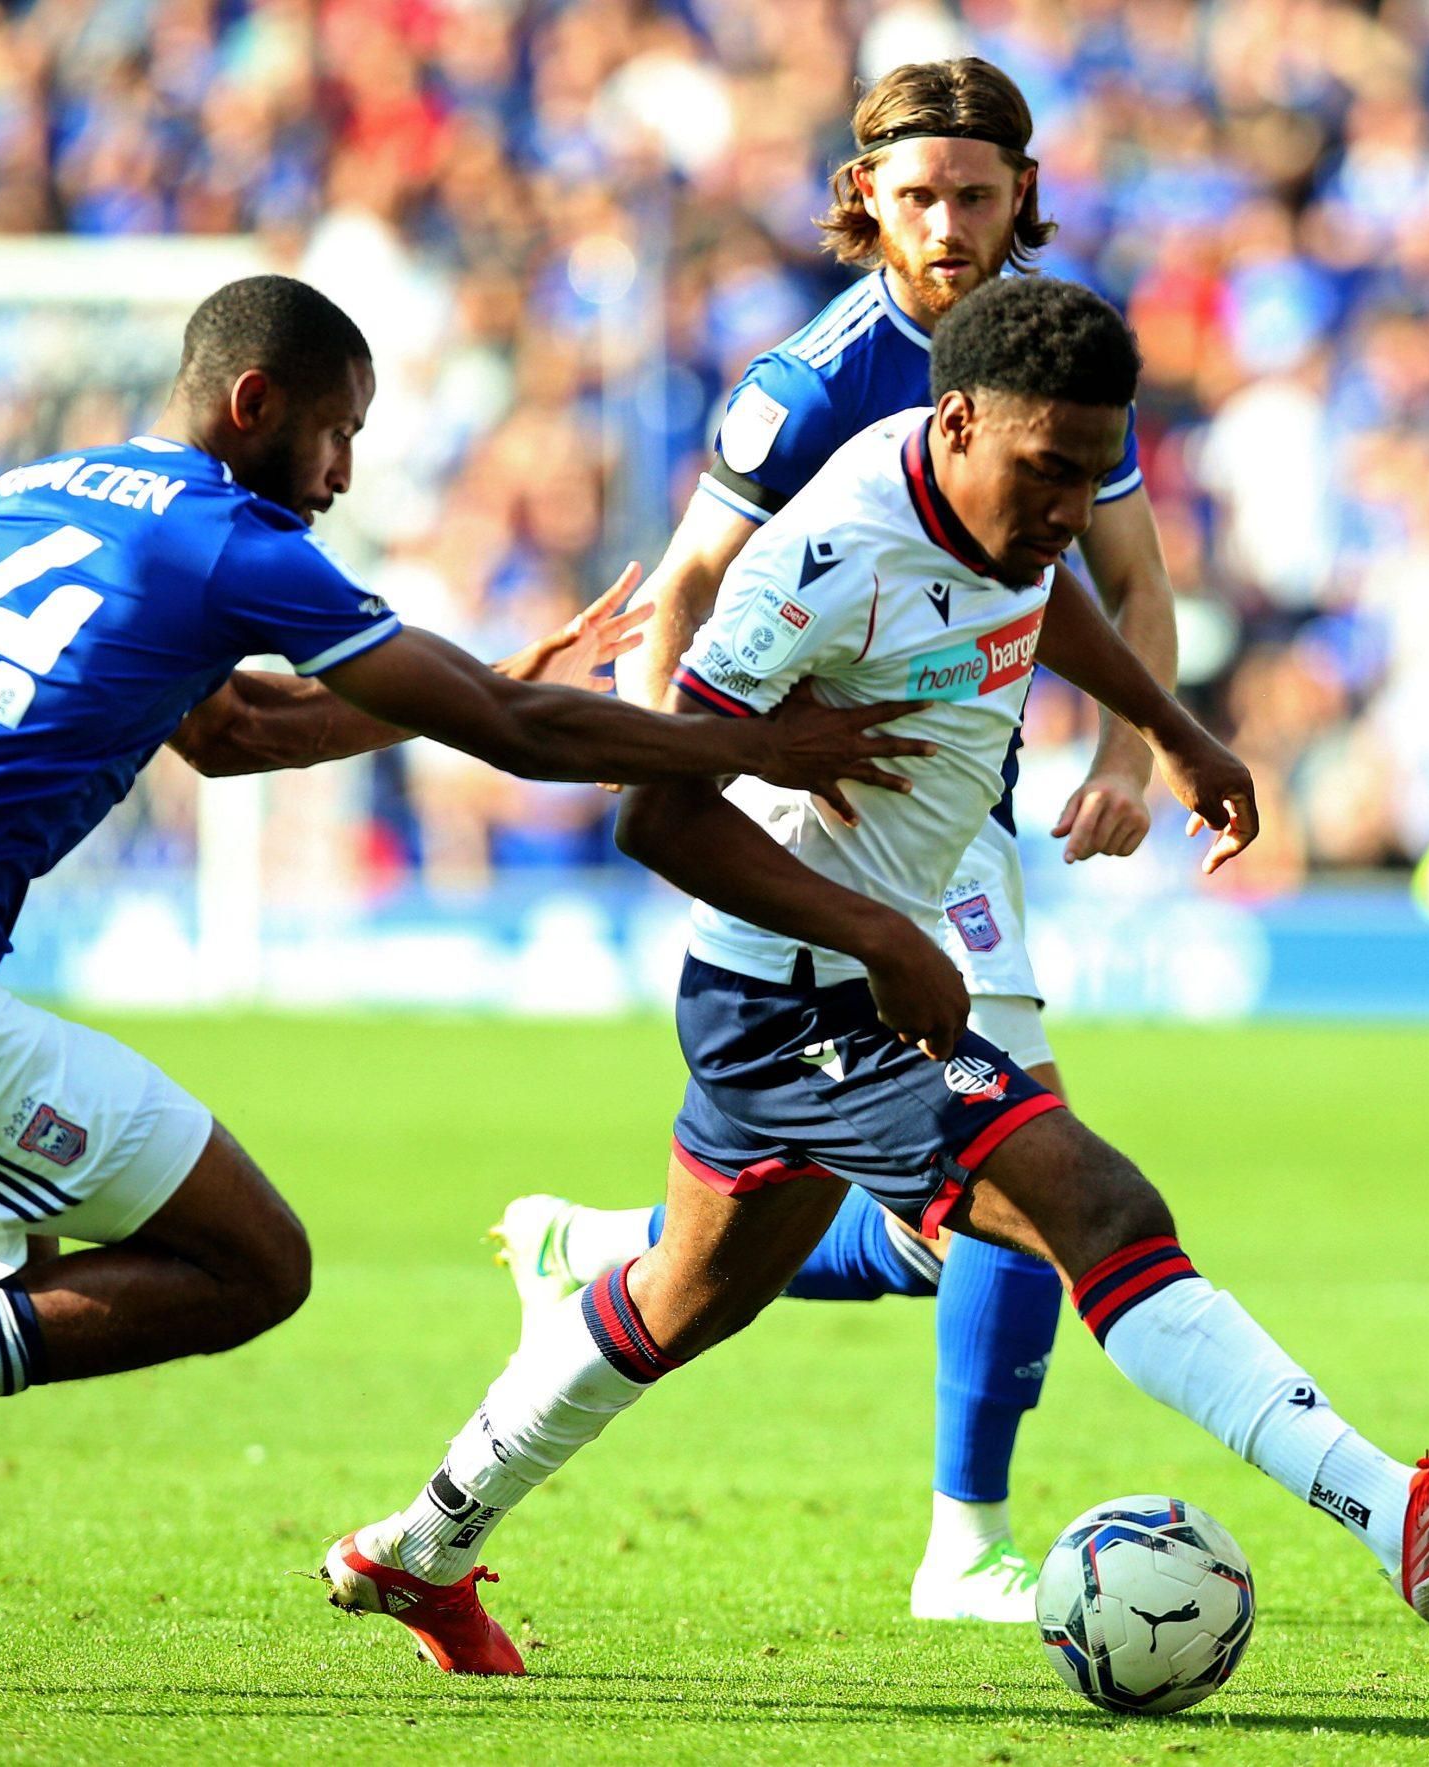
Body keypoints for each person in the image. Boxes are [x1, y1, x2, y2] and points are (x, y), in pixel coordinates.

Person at [0, 274, 931, 1692]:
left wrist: (484, 678)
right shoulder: (233, 543)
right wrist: (757, 751)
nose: (344, 472)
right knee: (252, 1264)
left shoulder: (44, 488)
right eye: (340, 433)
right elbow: (520, 738)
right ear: (255, 403)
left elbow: (230, 732)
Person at [324, 276, 1429, 1676]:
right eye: (1048, 472)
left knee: (679, 1300)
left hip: (839, 970)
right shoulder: (832, 552)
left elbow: (1047, 597)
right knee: (1097, 1205)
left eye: (1093, 476)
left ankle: (417, 1547)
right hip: (795, 993)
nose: (1066, 508)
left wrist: (1171, 729)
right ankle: (1401, 1509)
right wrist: (878, 938)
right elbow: (654, 814)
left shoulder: (1005, 508)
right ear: (960, 419)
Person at [490, 56, 1184, 1625]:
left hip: (970, 806)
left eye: (978, 195)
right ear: (862, 193)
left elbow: (1125, 583)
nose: (946, 225)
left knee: (968, 1227)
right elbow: (681, 593)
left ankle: (611, 1257)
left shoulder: (1056, 358)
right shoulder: (807, 386)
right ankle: (967, 1543)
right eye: (918, 195)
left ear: (1023, 195)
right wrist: (709, 791)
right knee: (1030, 1162)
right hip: (834, 812)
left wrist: (1138, 747)